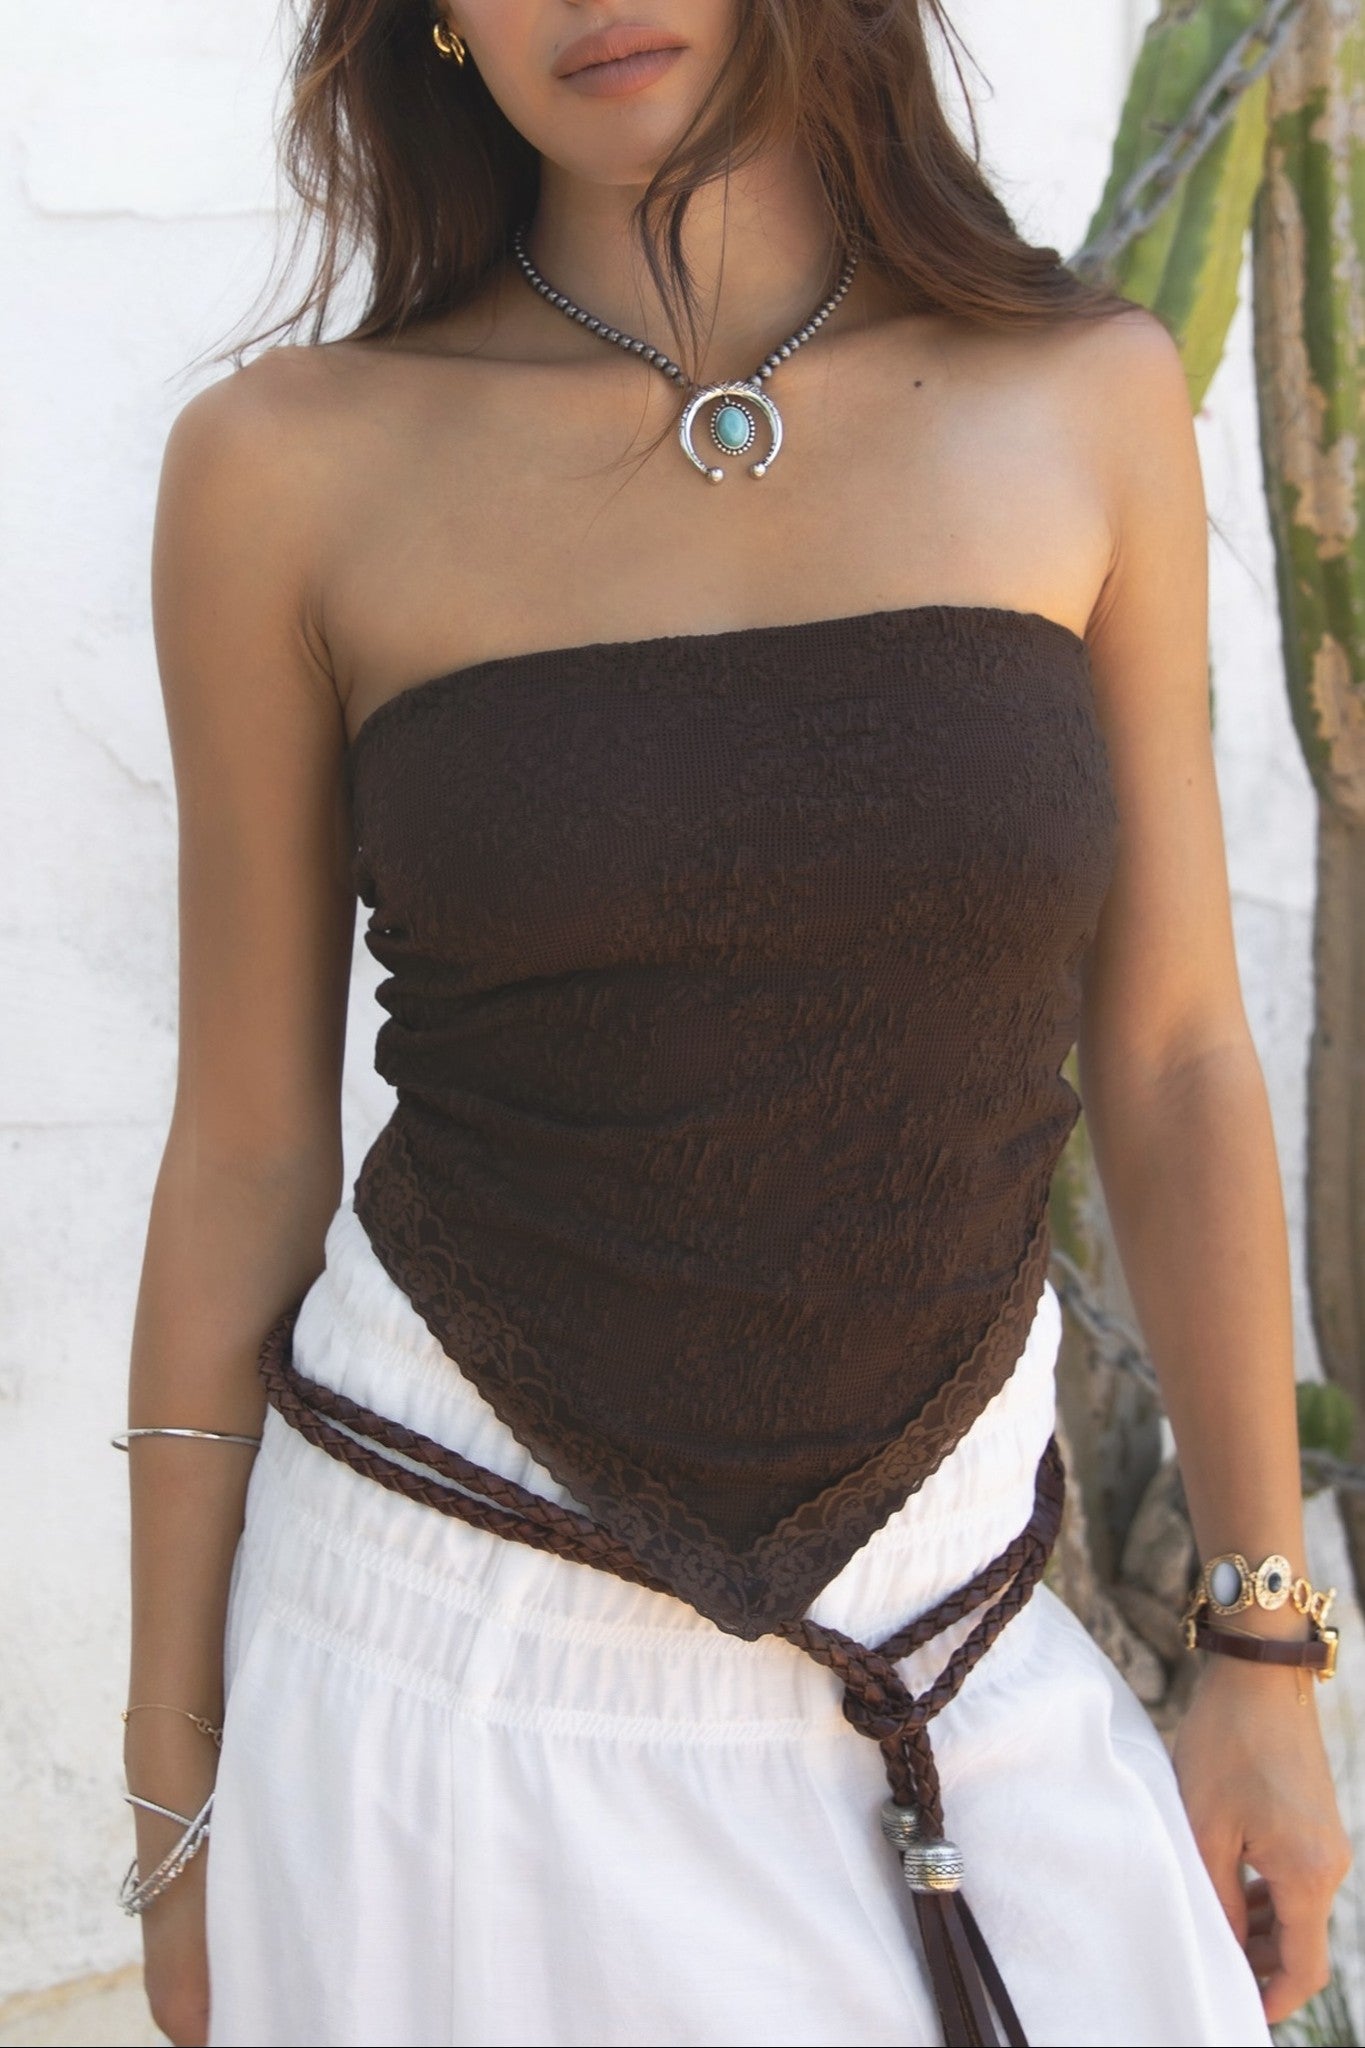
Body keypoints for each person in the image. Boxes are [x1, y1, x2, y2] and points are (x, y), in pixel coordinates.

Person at [120, 4, 1352, 2044]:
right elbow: (246, 1146)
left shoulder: (1078, 397)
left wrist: (1261, 1650)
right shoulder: (284, 468)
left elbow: (1171, 1057)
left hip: (955, 1639)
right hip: (444, 1664)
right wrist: (177, 1804)